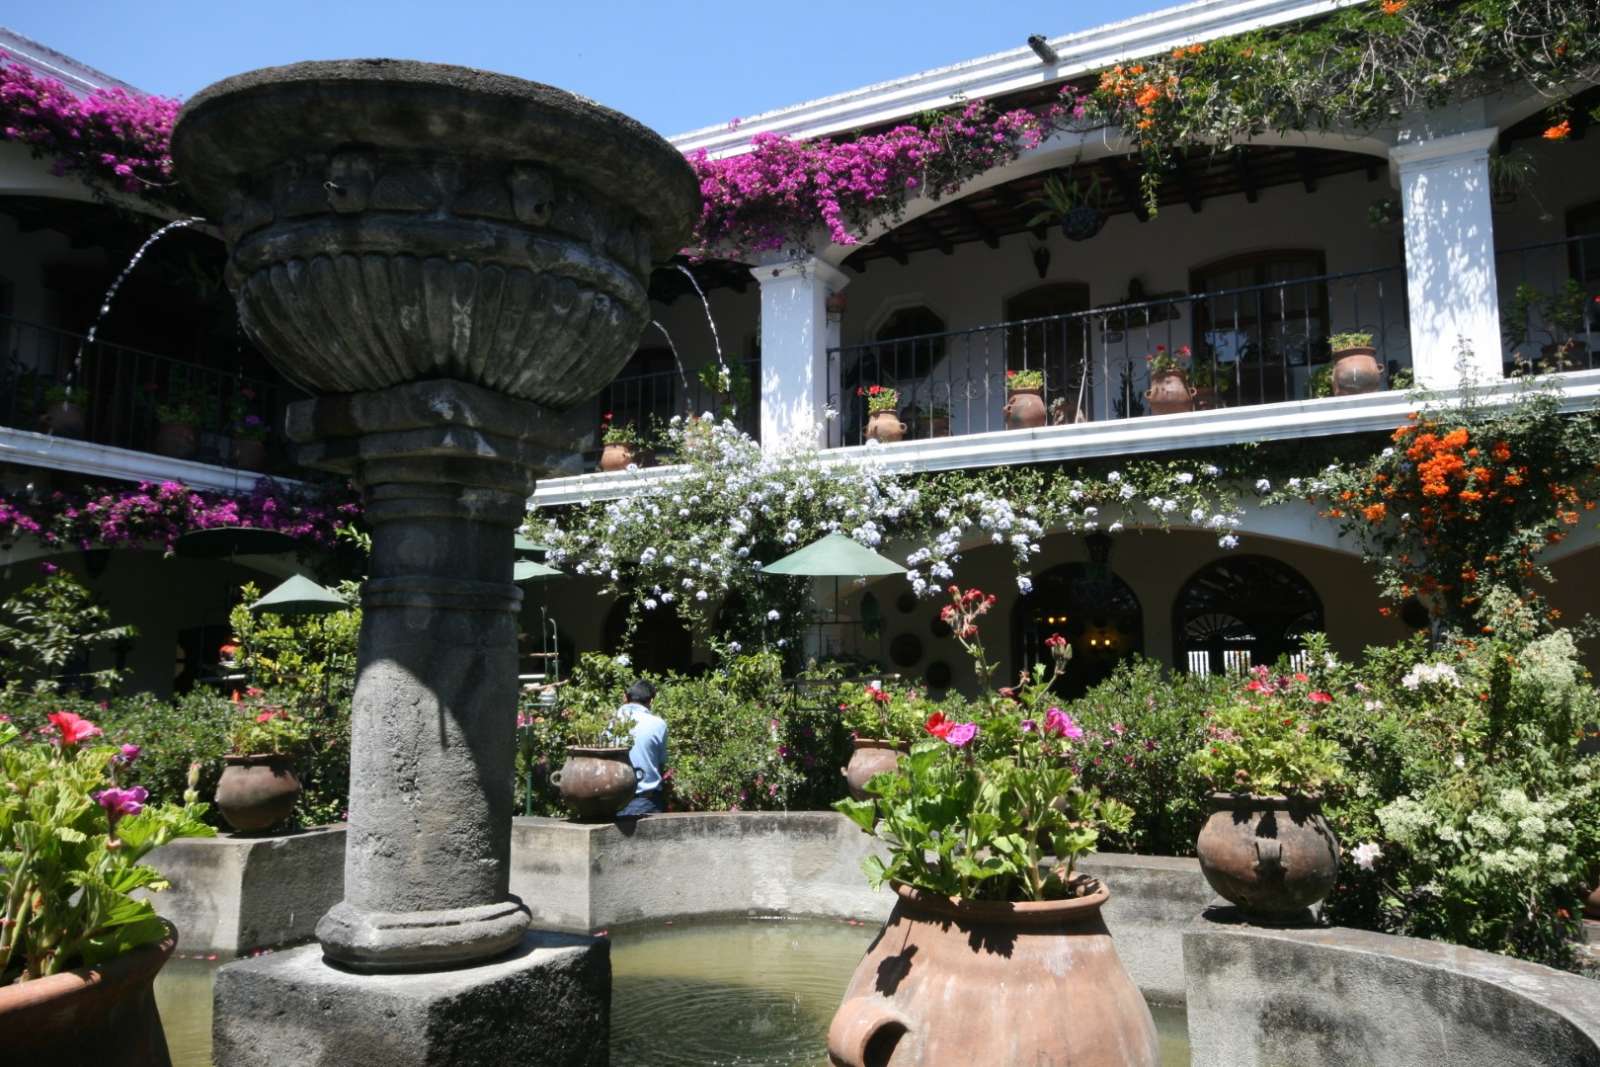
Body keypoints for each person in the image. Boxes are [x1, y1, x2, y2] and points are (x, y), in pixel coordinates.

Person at [616, 679, 668, 816]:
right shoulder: (659, 724)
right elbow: (661, 762)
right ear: (651, 701)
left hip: (614, 799)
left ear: (626, 698)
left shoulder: (612, 721)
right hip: (647, 800)